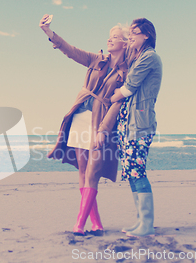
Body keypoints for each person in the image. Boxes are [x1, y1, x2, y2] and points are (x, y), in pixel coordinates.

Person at [39, 14, 129, 236]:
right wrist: (49, 33)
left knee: (93, 172)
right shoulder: (96, 59)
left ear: (125, 44)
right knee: (82, 170)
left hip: (101, 122)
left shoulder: (127, 72)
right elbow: (71, 51)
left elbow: (118, 104)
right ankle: (96, 223)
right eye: (109, 36)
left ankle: (78, 225)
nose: (110, 40)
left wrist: (104, 130)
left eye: (115, 37)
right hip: (80, 116)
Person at [109, 18, 163, 237]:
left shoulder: (150, 57)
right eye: (129, 33)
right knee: (131, 172)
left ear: (146, 35)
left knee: (137, 171)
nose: (130, 36)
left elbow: (128, 88)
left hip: (139, 124)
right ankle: (141, 221)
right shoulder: (138, 56)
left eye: (134, 33)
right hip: (129, 123)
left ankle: (147, 224)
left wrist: (114, 96)